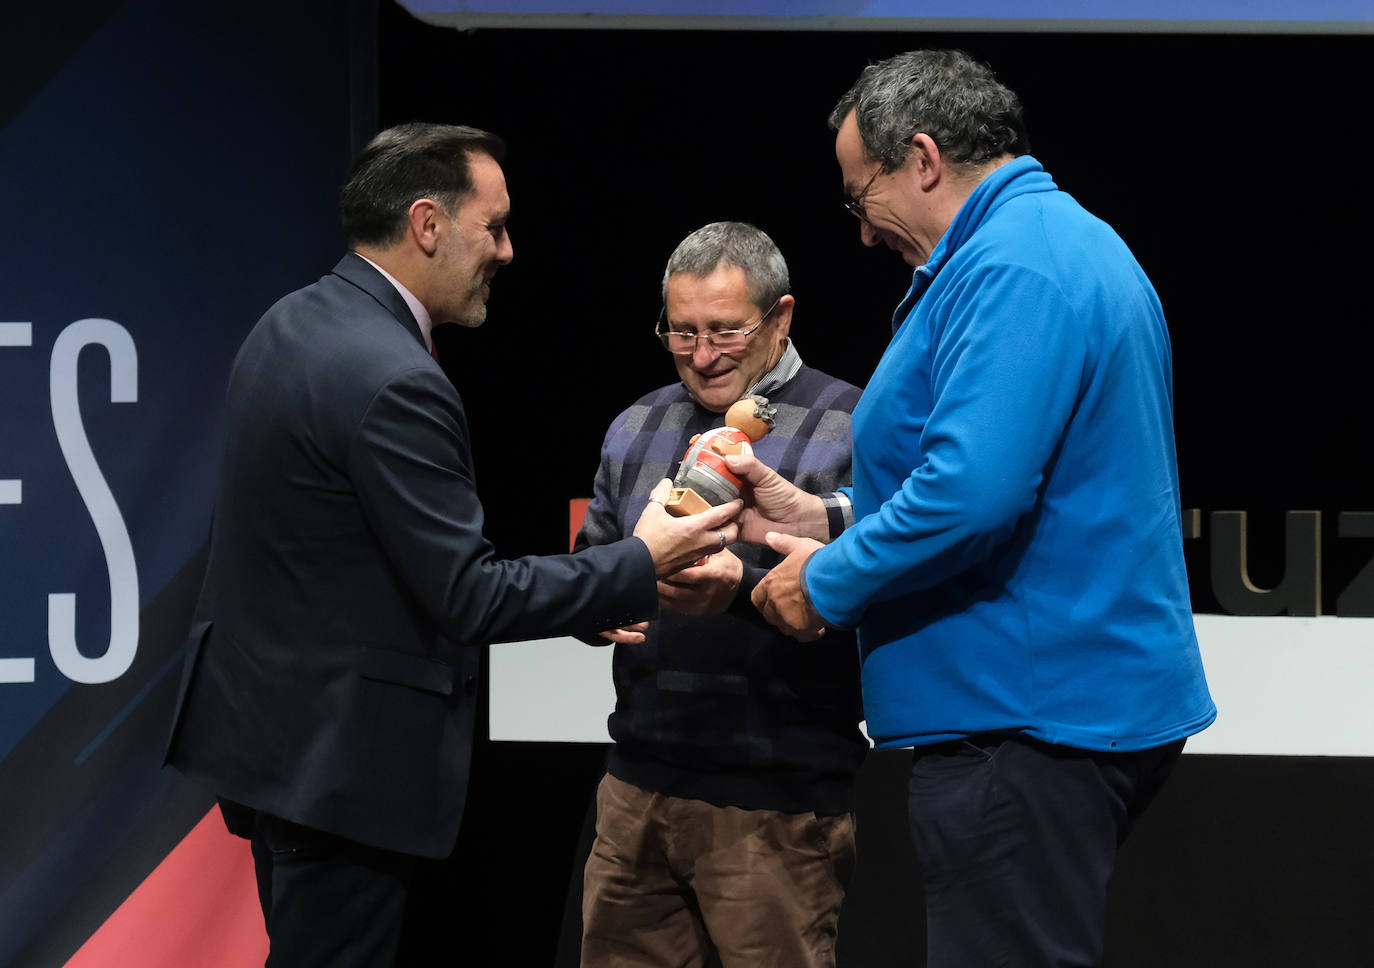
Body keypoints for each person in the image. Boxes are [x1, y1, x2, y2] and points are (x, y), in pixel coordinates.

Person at [163, 122, 739, 967]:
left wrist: (592, 592)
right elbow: (466, 594)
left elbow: (350, 556)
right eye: (494, 227)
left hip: (275, 744)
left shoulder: (293, 321)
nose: (507, 251)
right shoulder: (396, 376)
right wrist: (639, 560)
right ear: (427, 223)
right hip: (339, 766)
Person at [726, 51, 1217, 968]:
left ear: (921, 159)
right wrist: (825, 519)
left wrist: (826, 582)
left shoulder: (1014, 266)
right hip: (1046, 708)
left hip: (1026, 720)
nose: (863, 234)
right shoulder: (1054, 243)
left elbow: (970, 496)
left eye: (857, 196)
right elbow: (1010, 478)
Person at [575, 222, 867, 968]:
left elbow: (878, 603)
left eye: (724, 333)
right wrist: (607, 597)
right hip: (636, 788)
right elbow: (591, 566)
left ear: (781, 319)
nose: (701, 357)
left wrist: (741, 587)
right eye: (682, 334)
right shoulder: (637, 424)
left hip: (777, 801)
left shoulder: (856, 427)